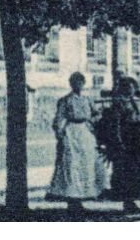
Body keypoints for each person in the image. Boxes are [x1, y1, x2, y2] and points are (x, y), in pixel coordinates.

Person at [46, 72, 99, 216]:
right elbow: (58, 119)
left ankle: (80, 199)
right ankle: (72, 201)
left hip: (85, 133)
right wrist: (60, 134)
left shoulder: (87, 99)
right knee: (71, 165)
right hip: (71, 133)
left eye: (80, 82)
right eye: (75, 82)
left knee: (84, 165)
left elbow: (96, 113)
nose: (78, 85)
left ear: (84, 84)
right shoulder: (65, 100)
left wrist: (93, 122)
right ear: (71, 84)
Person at [101, 74, 140, 215]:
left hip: (139, 140)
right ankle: (127, 202)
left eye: (133, 87)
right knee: (126, 171)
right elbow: (116, 124)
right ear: (123, 89)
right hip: (127, 139)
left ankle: (133, 201)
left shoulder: (139, 102)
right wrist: (119, 141)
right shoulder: (120, 103)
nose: (130, 90)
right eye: (127, 87)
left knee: (139, 170)